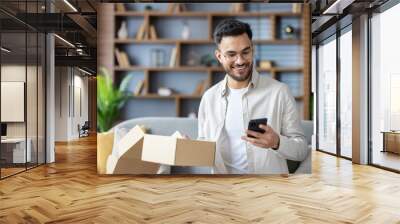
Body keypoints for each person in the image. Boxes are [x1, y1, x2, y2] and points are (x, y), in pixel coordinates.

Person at [197, 19, 309, 174]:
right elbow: (204, 150)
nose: (240, 60)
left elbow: (302, 150)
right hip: (223, 190)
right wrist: (187, 147)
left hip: (267, 191)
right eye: (231, 54)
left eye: (245, 52)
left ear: (253, 50)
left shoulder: (279, 92)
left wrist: (277, 142)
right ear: (219, 57)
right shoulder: (209, 98)